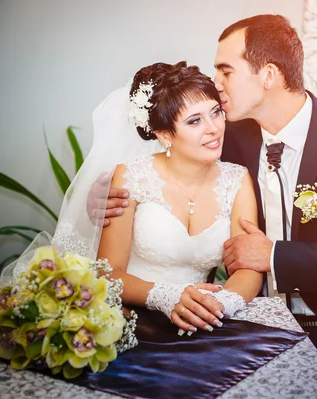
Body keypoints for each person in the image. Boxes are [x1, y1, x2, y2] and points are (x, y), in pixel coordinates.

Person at [105, 15, 317, 399]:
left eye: (225, 71)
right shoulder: (228, 135)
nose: (216, 84)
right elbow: (168, 161)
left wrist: (274, 255)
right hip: (253, 326)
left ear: (269, 74)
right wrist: (102, 193)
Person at [93, 61, 263, 335]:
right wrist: (165, 296)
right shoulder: (132, 175)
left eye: (215, 113)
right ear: (164, 134)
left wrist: (222, 302)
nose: (213, 128)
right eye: (194, 121)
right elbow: (108, 272)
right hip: (130, 319)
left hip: (201, 322)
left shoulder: (237, 179)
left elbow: (248, 267)